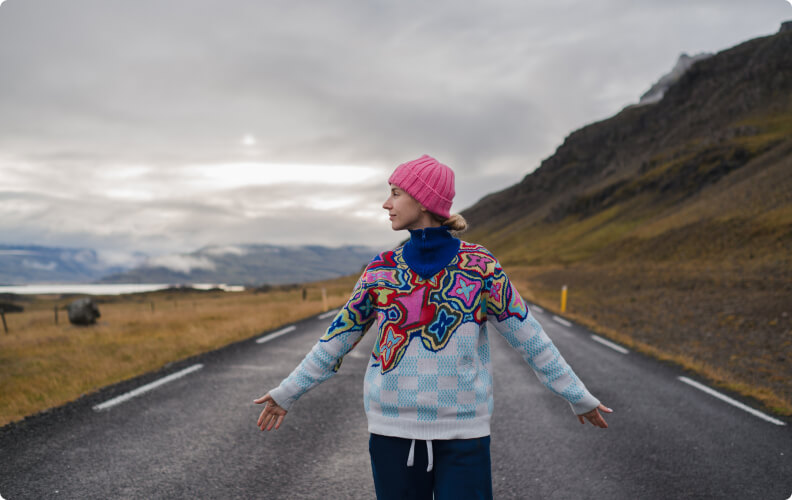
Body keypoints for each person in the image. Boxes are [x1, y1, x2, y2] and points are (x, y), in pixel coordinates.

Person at [255, 155, 612, 499]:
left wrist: (577, 395)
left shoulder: (480, 267)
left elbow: (531, 338)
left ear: (423, 201)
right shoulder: (380, 271)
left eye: (395, 193)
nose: (386, 203)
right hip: (391, 434)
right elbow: (335, 340)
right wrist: (288, 392)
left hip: (465, 435)